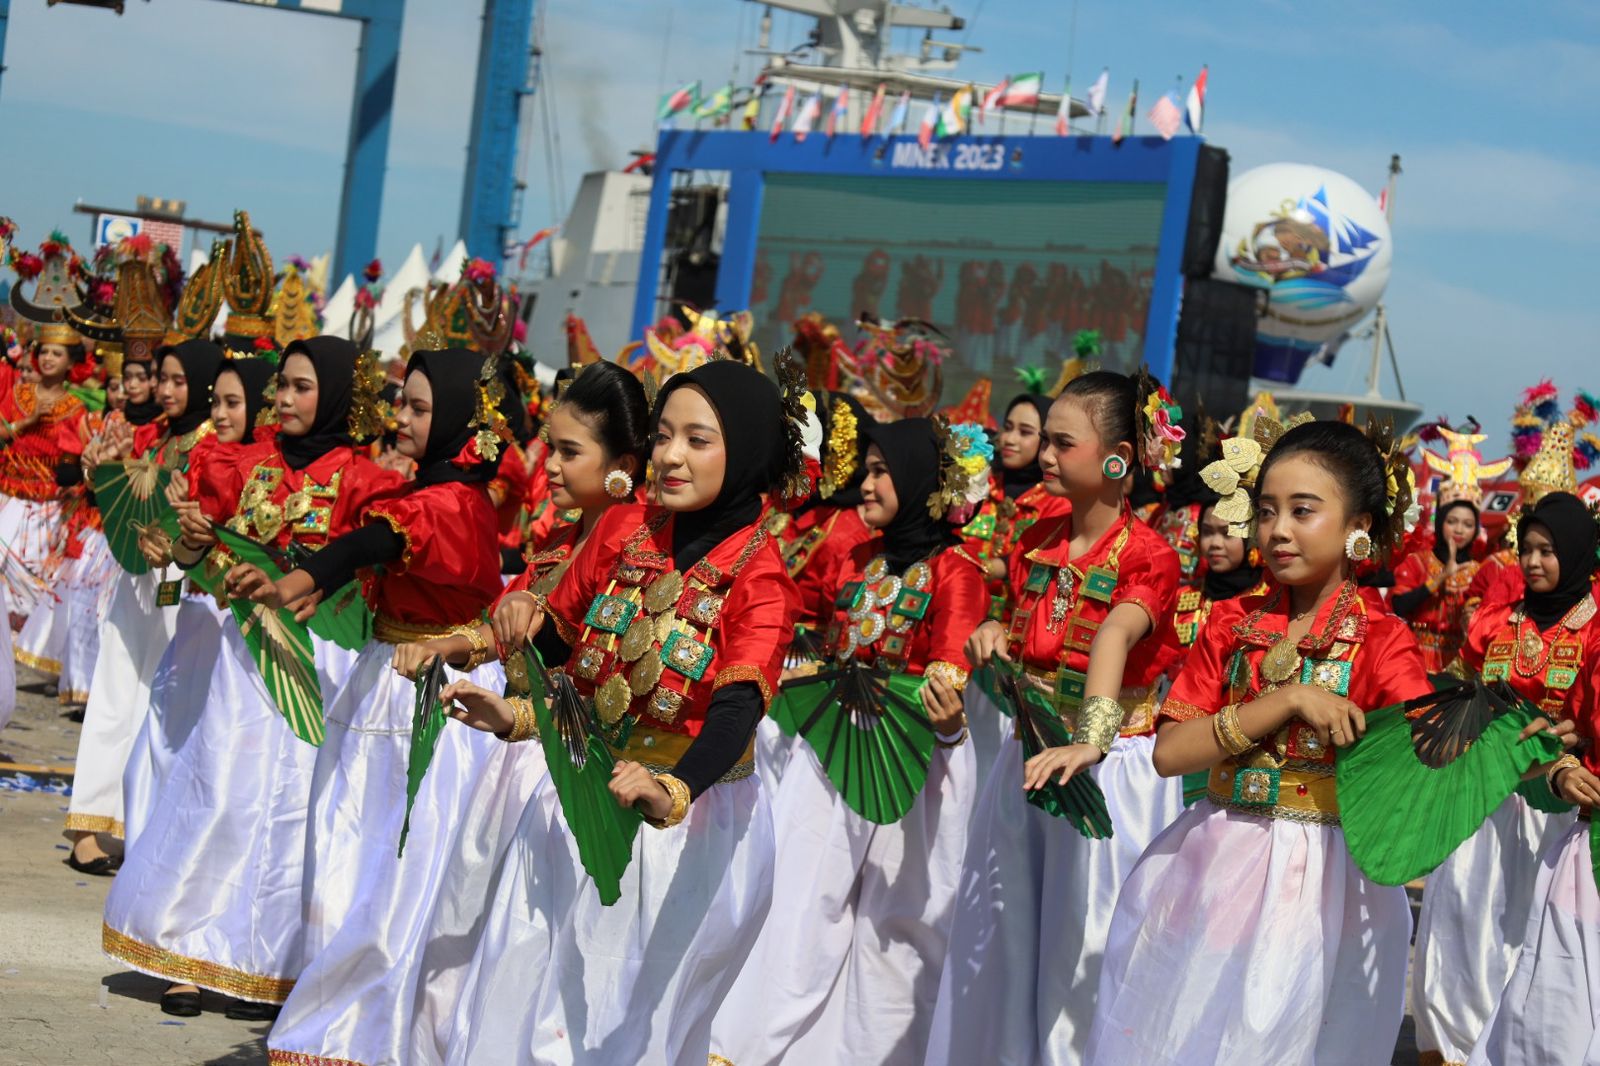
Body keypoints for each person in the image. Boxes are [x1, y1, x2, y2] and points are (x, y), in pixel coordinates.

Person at [435, 358, 800, 1065]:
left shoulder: (761, 576)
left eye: (698, 440)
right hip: (578, 792)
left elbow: (735, 711)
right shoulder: (624, 528)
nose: (668, 455)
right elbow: (561, 645)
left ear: (747, 450)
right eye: (663, 435)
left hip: (677, 830)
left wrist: (672, 790)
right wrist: (516, 704)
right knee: (521, 988)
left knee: (613, 1023)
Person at [1082, 420, 1433, 1064]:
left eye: (1303, 511)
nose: (1278, 531)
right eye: (1267, 511)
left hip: (1326, 880)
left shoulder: (1383, 641)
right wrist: (1287, 700)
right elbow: (1167, 755)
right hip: (1212, 861)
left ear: (1359, 525)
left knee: (1282, 1039)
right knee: (1182, 1031)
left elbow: (1416, 762)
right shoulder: (1232, 623)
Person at [229, 348, 517, 1066]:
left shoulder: (454, 505)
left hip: (433, 698)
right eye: (404, 404)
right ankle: (335, 1024)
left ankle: (371, 1032)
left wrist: (313, 569)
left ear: (456, 420)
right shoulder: (433, 492)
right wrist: (321, 583)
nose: (402, 417)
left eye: (421, 408)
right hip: (382, 678)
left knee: (397, 874)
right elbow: (382, 552)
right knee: (345, 855)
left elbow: (382, 537)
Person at [101, 336, 403, 1019]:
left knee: (304, 807)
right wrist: (193, 541)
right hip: (248, 654)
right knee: (223, 789)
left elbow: (373, 581)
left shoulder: (365, 480)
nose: (285, 400)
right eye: (282, 388)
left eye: (301, 387)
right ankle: (188, 947)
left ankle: (282, 964)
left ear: (334, 395)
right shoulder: (249, 462)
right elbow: (199, 561)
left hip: (322, 657)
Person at [926, 371, 1184, 1065]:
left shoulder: (1150, 557)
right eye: (1047, 438)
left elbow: (1113, 637)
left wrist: (1090, 742)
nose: (1044, 453)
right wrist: (991, 637)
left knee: (1084, 952)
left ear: (1118, 459)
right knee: (1000, 939)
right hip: (1028, 753)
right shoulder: (1035, 533)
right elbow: (1022, 630)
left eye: (1063, 442)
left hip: (1109, 771)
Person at [712, 418, 988, 1065]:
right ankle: (744, 1048)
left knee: (898, 928)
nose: (864, 484)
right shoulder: (856, 557)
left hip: (919, 756)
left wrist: (939, 713)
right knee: (800, 896)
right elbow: (833, 643)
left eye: (879, 471)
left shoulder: (957, 574)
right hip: (834, 745)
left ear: (924, 481)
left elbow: (948, 674)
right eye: (864, 469)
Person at [404, 359, 653, 1066]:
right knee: (475, 941)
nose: (547, 465)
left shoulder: (626, 540)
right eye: (549, 445)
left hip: (567, 768)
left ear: (623, 465)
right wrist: (456, 643)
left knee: (528, 956)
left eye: (570, 452)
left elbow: (565, 643)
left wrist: (503, 687)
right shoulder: (570, 537)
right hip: (519, 761)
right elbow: (512, 622)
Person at [65, 338, 220, 873]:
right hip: (136, 581)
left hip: (184, 580)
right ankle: (88, 824)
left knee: (165, 705)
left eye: (180, 381)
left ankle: (144, 825)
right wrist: (100, 474)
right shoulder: (150, 437)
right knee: (115, 689)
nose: (167, 390)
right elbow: (119, 500)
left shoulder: (215, 445)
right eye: (164, 379)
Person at [1463, 492, 1600, 1066]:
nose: (1536, 561)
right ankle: (1454, 1039)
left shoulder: (1594, 630)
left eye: (1549, 550)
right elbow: (1468, 699)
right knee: (1466, 913)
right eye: (1528, 549)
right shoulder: (1494, 622)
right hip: (1484, 792)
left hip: (1554, 798)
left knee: (1530, 923)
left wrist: (1566, 749)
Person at [119, 357, 277, 848]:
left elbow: (250, 566)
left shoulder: (272, 474)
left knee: (213, 752)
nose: (222, 414)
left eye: (234, 403)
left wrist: (196, 542)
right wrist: (173, 540)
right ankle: (150, 848)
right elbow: (191, 552)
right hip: (195, 618)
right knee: (161, 738)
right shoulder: (206, 458)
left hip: (239, 632)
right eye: (216, 403)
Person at [1391, 489, 1481, 673]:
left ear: (1475, 530)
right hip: (1415, 655)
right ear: (1440, 523)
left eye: (1468, 524)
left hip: (1459, 663)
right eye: (1452, 521)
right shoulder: (1418, 561)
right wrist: (1442, 576)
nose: (1459, 529)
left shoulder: (1478, 572)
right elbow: (1399, 605)